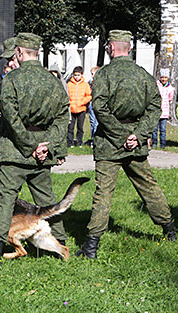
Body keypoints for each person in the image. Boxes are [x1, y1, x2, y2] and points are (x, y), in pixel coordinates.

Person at [75, 30, 176, 259]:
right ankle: (170, 230)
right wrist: (137, 135)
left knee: (103, 193)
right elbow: (154, 108)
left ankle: (91, 247)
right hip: (135, 141)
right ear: (129, 48)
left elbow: (100, 109)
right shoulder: (143, 75)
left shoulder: (103, 75)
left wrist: (122, 136)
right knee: (148, 187)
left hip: (109, 142)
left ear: (111, 47)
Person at [0, 33, 69, 265]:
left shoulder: (12, 79)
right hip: (43, 150)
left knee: (5, 200)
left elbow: (10, 118)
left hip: (15, 152)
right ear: (37, 52)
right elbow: (63, 117)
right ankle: (60, 240)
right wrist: (47, 145)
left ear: (19, 52)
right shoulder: (53, 80)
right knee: (46, 198)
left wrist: (30, 145)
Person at [67, 66, 92, 147]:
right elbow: (67, 95)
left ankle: (79, 142)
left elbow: (89, 96)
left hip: (81, 109)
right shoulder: (69, 84)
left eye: (78, 75)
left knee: (80, 127)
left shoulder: (85, 85)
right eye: (75, 75)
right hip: (72, 109)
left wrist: (83, 102)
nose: (76, 77)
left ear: (82, 75)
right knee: (70, 127)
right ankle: (69, 142)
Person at [152, 68, 174, 149]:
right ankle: (154, 143)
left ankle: (162, 144)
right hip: (156, 111)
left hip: (164, 112)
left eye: (165, 77)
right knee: (154, 129)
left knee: (163, 130)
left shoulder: (170, 89)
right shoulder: (157, 85)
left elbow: (170, 99)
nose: (163, 79)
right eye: (162, 77)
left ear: (168, 78)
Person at [86, 66, 101, 147]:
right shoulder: (90, 83)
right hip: (91, 103)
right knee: (92, 122)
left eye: (93, 74)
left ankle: (97, 140)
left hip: (98, 103)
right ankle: (92, 139)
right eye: (91, 74)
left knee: (97, 123)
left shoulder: (101, 83)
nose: (92, 76)